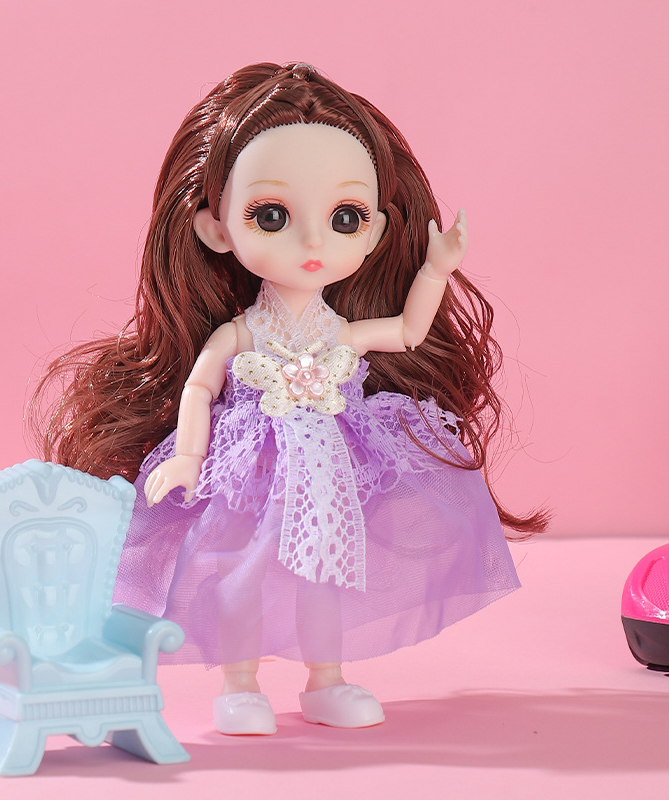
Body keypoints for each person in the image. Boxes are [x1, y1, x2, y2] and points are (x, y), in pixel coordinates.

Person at [32, 62, 547, 735]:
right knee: (242, 576)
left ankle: (325, 680)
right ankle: (240, 684)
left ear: (374, 233)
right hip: (251, 472)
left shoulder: (340, 331)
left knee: (324, 578)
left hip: (330, 467)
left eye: (344, 218)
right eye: (270, 216)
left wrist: (435, 269)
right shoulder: (241, 333)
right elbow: (199, 386)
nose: (312, 242)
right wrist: (187, 456)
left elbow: (405, 331)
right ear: (217, 229)